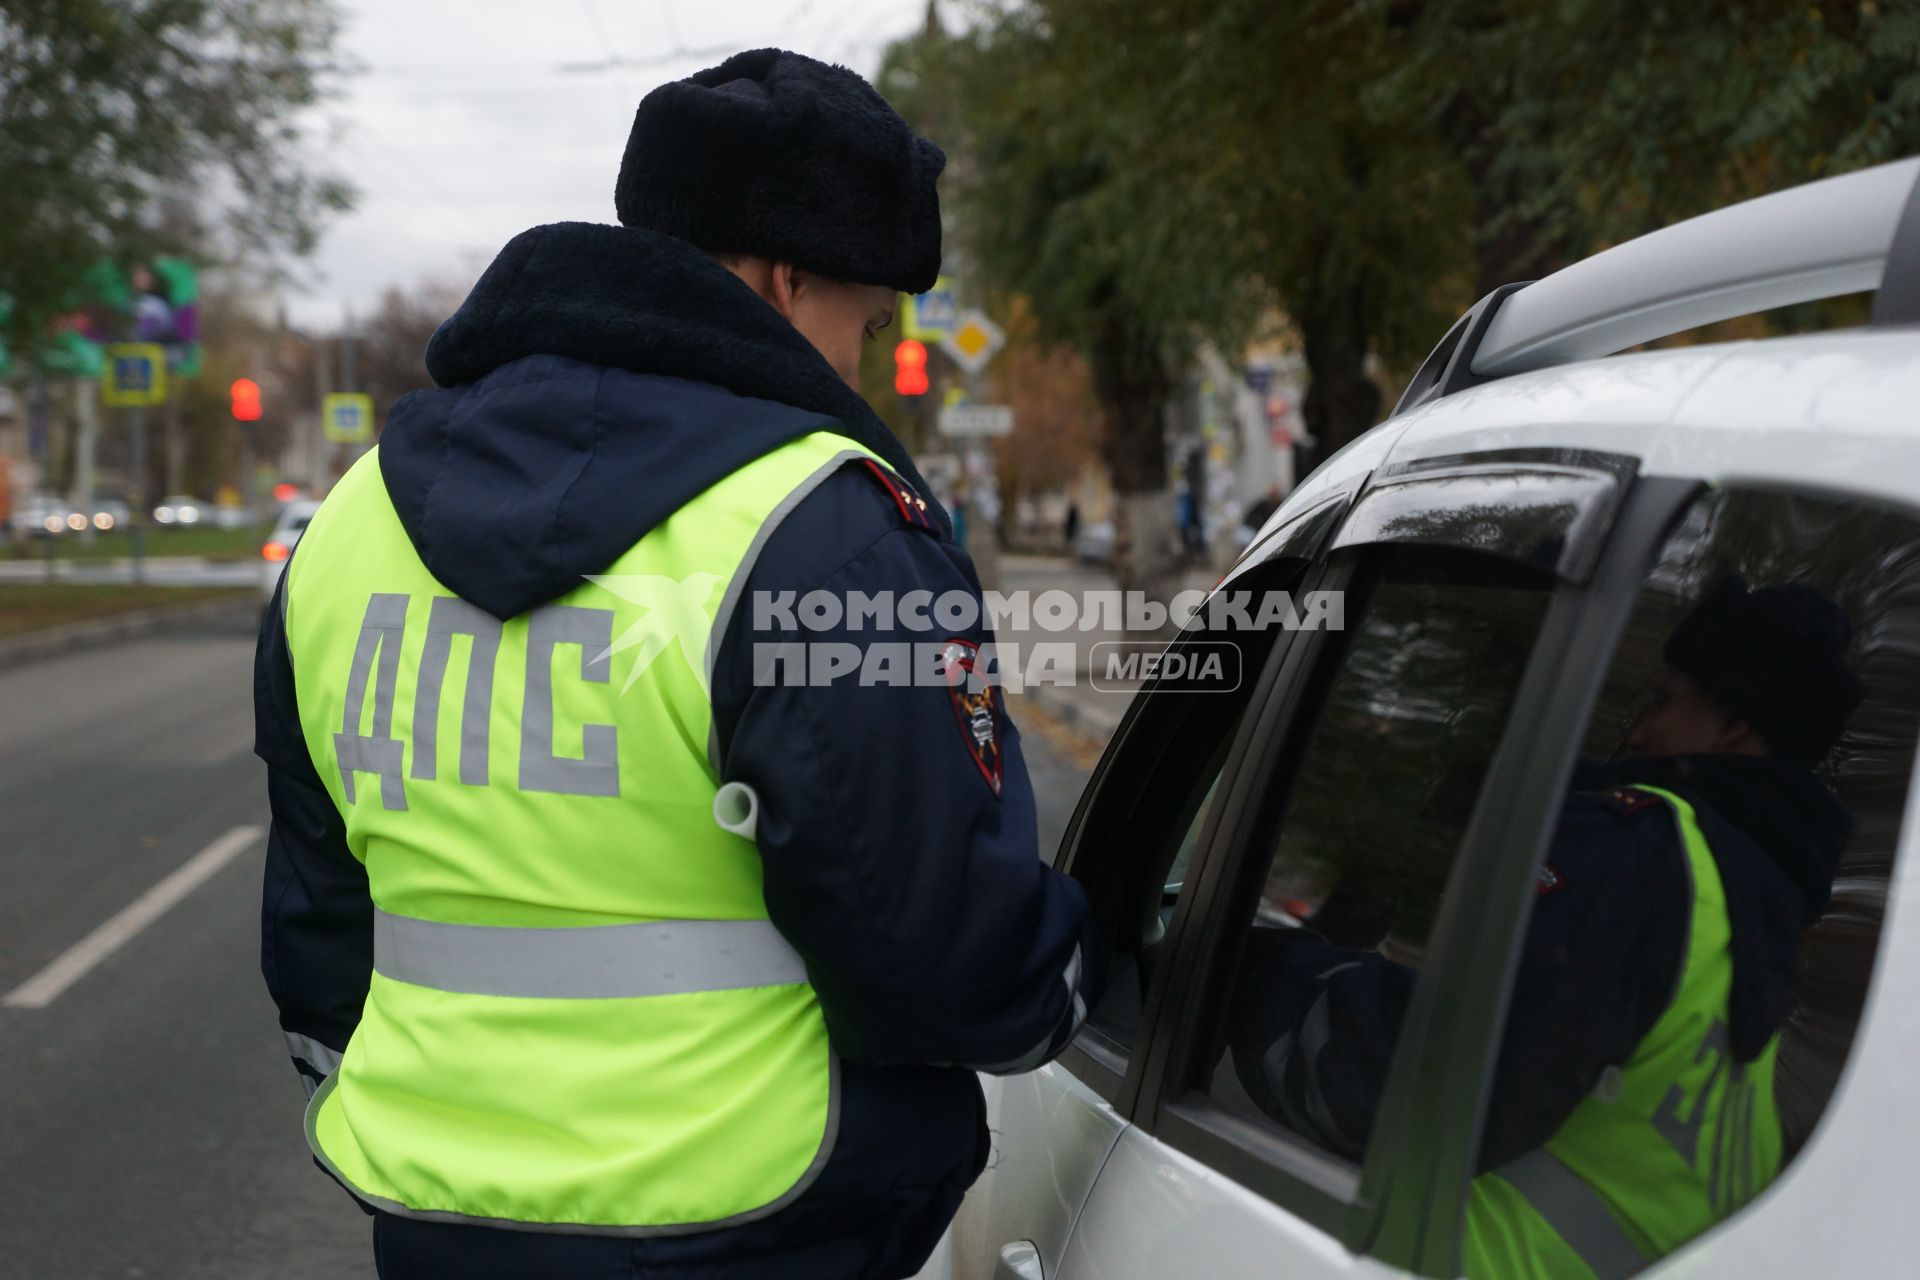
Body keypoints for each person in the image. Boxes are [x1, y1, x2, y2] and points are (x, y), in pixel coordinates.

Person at [254, 49, 1102, 1280]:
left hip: (439, 1221)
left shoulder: (350, 520)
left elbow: (318, 910)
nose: (861, 363)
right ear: (784, 275)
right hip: (759, 1216)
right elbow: (938, 952)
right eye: (862, 321)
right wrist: (1095, 974)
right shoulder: (823, 525)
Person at [1226, 574, 1862, 1279]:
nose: (1640, 731)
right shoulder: (1754, 928)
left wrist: (1246, 972)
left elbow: (1410, 1084)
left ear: (1733, 724)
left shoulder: (1639, 853)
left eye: (1663, 701)